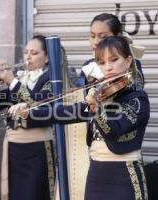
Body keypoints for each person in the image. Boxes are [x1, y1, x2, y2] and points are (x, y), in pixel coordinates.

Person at [12, 35, 149, 200]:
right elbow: (63, 113)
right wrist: (29, 111)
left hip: (125, 176)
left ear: (128, 61)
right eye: (102, 63)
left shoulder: (137, 98)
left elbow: (114, 130)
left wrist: (96, 109)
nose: (108, 67)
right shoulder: (101, 97)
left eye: (114, 60)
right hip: (96, 177)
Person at [0, 35, 57, 200]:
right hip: (15, 147)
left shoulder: (50, 79)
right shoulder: (20, 77)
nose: (28, 57)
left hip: (38, 148)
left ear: (47, 57)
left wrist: (12, 81)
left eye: (34, 53)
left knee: (37, 193)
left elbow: (37, 105)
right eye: (26, 52)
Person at [79, 13, 145, 90]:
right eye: (92, 36)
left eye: (103, 36)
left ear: (118, 36)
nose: (95, 42)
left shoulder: (132, 63)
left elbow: (137, 89)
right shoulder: (87, 66)